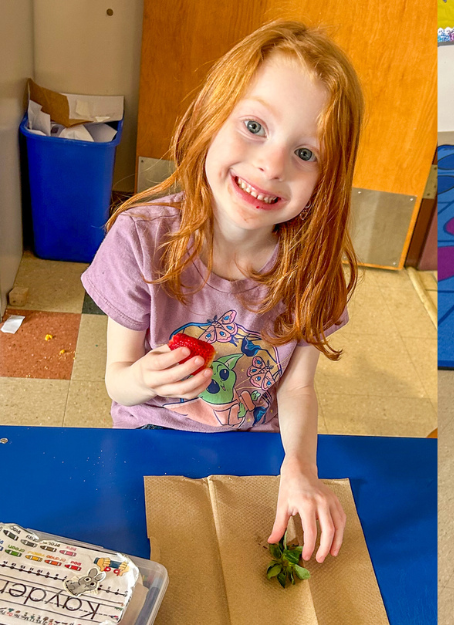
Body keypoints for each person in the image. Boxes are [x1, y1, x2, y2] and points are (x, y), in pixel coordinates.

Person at [81, 21, 364, 565]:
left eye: (306, 154)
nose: (272, 164)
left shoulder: (314, 269)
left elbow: (298, 391)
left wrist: (301, 467)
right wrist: (142, 377)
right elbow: (117, 380)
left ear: (328, 180)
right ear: (213, 117)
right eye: (254, 125)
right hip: (149, 439)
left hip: (255, 450)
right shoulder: (141, 238)